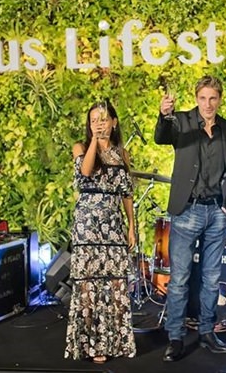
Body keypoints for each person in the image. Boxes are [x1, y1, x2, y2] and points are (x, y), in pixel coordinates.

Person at [154, 75, 226, 362]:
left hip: (216, 211)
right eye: (203, 98)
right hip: (187, 210)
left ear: (220, 99)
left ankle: (207, 332)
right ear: (196, 98)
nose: (208, 103)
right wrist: (164, 115)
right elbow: (161, 136)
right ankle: (176, 337)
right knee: (179, 279)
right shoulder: (181, 122)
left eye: (213, 98)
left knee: (212, 278)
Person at [65, 100, 136, 364]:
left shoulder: (123, 154)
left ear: (114, 122)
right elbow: (85, 171)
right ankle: (93, 345)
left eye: (103, 119)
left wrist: (132, 226)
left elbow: (127, 192)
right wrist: (95, 140)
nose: (99, 123)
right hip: (88, 227)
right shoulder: (81, 147)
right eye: (94, 119)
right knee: (90, 285)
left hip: (114, 226)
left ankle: (116, 342)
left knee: (115, 283)